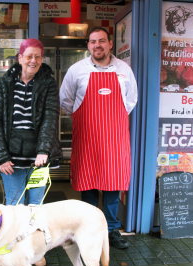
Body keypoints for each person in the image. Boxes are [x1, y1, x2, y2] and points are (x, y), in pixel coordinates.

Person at [59, 27, 138, 250]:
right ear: (88, 46)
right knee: (88, 185)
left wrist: (114, 119)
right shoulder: (77, 70)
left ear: (110, 44)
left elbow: (130, 100)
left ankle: (112, 230)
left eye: (102, 41)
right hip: (87, 137)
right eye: (93, 42)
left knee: (113, 185)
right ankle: (89, 231)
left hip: (115, 137)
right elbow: (66, 101)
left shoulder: (124, 70)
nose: (98, 45)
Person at [0, 38, 62, 266]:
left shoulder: (48, 83)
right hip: (10, 157)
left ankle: (36, 252)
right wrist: (0, 156)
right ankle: (14, 247)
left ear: (42, 59)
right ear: (20, 58)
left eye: (37, 57)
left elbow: (50, 118)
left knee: (35, 207)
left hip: (38, 158)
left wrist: (43, 151)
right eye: (28, 56)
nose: (33, 60)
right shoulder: (4, 83)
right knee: (13, 205)